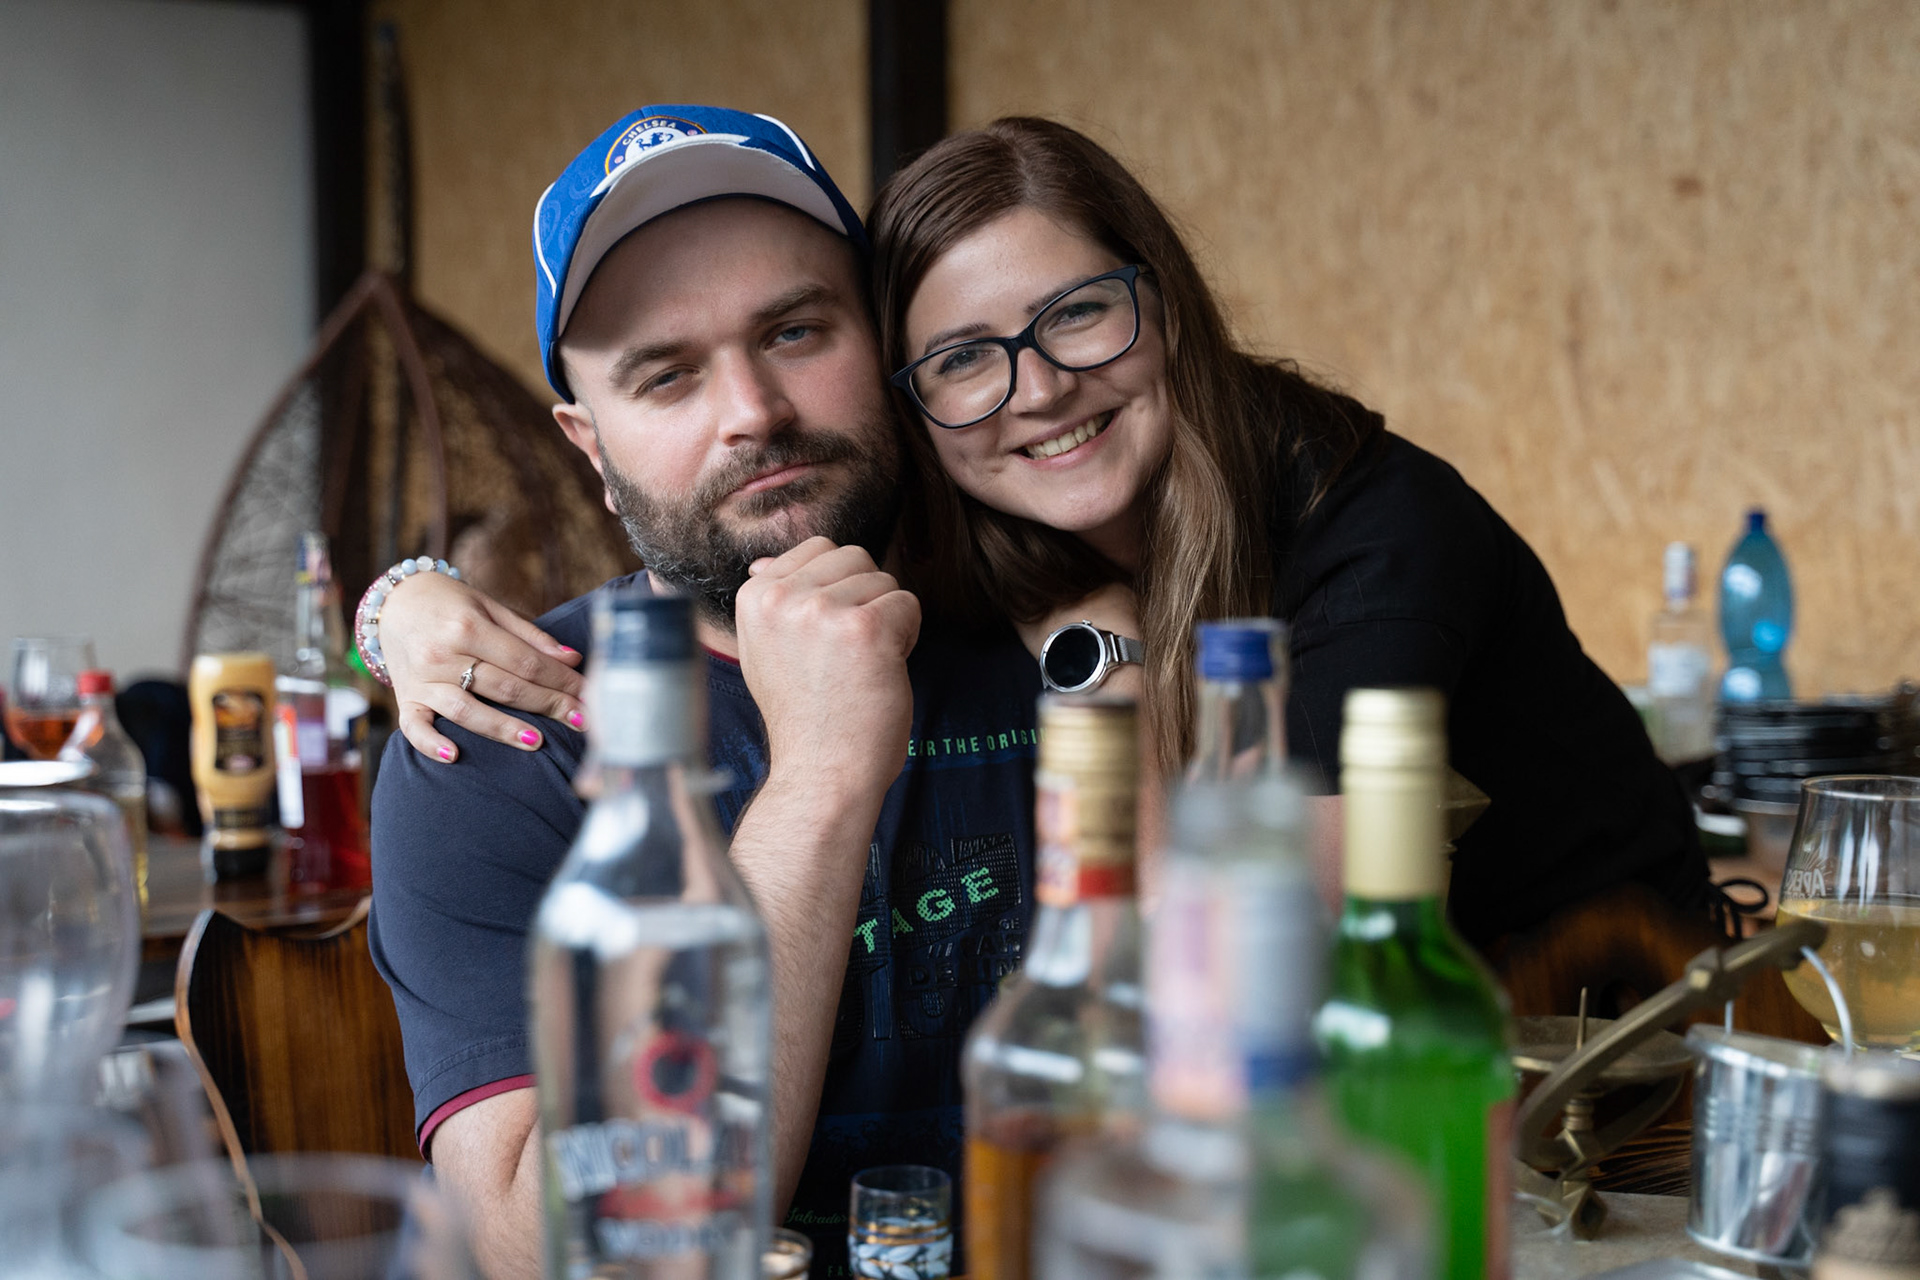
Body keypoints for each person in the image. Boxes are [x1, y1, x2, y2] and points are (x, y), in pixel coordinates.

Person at [385, 116, 1711, 950]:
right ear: (914, 395)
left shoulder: (1371, 530)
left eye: (1077, 314)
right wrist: (401, 601)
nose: (1037, 389)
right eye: (965, 356)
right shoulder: (953, 524)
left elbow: (1271, 954)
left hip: (1607, 1049)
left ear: (1165, 303)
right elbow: (720, 550)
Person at [366, 105, 1041, 1279]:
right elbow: (559, 1260)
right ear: (591, 447)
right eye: (667, 374)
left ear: (881, 342)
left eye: (794, 330)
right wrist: (820, 776)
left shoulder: (1071, 632)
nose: (753, 412)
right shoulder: (497, 741)